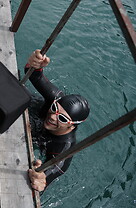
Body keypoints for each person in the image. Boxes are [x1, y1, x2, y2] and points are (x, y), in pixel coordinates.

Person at [26, 49, 90, 192]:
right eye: (55, 107)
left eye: (62, 118)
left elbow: (45, 178)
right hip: (34, 110)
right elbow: (34, 74)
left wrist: (41, 179)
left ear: (72, 126)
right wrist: (35, 63)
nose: (53, 116)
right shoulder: (57, 98)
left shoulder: (64, 148)